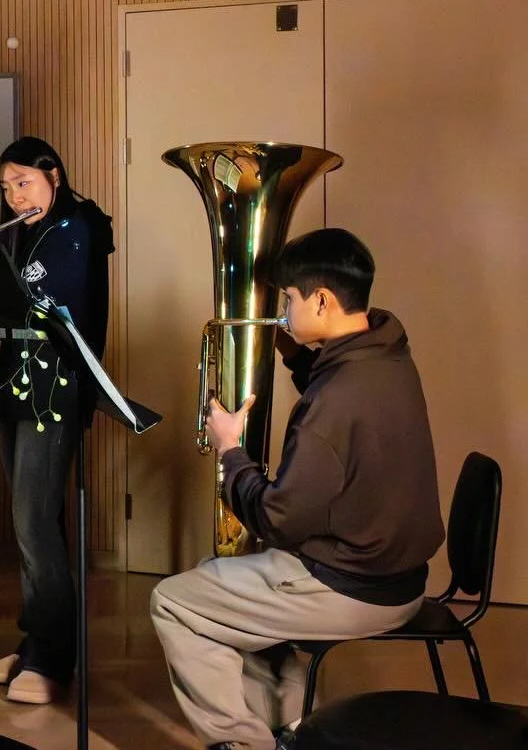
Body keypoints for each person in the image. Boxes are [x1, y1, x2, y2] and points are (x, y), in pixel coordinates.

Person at [150, 228, 444, 750]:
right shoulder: (388, 353)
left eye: (288, 299)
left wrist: (230, 450)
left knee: (174, 601)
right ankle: (291, 725)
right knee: (215, 577)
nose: (283, 312)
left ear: (322, 301)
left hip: (350, 588)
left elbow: (277, 520)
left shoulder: (334, 402)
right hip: (401, 579)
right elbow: (340, 394)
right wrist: (295, 352)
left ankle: (244, 744)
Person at [0, 137, 113, 704]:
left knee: (34, 520)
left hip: (54, 390)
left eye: (25, 183)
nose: (15, 197)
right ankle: (38, 640)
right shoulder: (22, 234)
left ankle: (52, 658)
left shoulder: (77, 227)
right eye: (7, 188)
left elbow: (48, 300)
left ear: (54, 177)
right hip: (14, 386)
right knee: (31, 523)